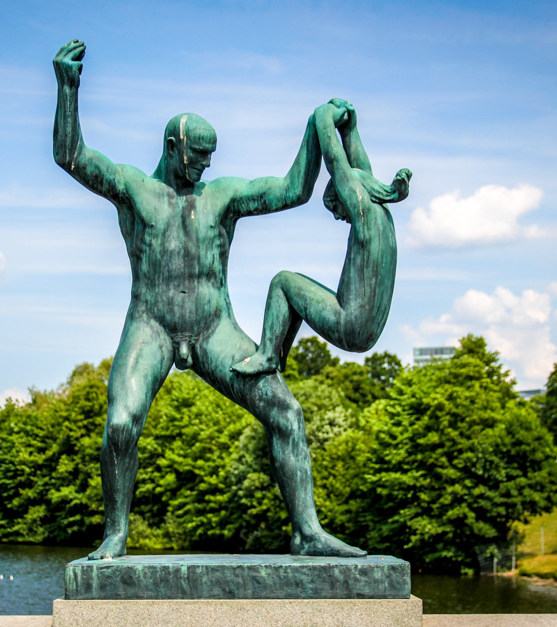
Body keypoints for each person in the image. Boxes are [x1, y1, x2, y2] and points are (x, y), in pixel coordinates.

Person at [52, 39, 364, 560]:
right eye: (197, 157)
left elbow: (293, 189)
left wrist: (318, 127)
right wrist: (68, 88)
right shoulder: (133, 188)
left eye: (209, 158)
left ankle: (307, 532)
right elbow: (71, 157)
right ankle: (115, 532)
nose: (204, 166)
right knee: (121, 424)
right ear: (173, 146)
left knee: (287, 413)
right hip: (150, 324)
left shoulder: (222, 196)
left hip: (214, 328)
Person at [232, 103, 410, 375]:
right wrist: (349, 130)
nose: (339, 217)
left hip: (350, 325)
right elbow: (360, 171)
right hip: (368, 330)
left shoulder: (364, 215)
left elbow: (338, 164)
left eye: (335, 207)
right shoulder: (382, 215)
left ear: (347, 196)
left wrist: (323, 118)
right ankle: (278, 356)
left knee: (283, 281)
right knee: (296, 290)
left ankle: (267, 356)